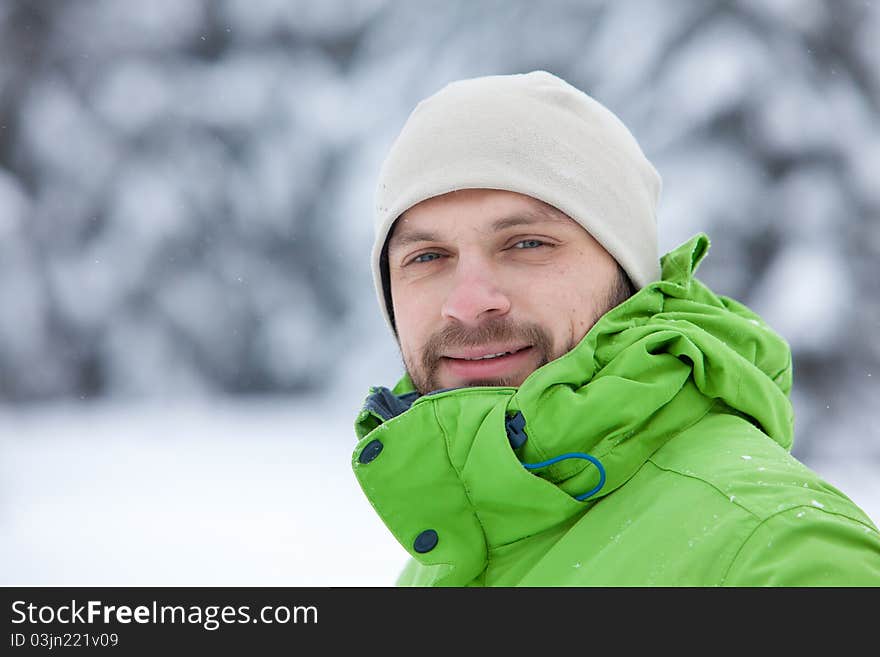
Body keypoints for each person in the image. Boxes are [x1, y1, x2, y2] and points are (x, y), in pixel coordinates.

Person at [351, 70, 880, 586]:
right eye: (427, 256)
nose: (468, 304)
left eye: (527, 243)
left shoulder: (783, 554)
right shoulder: (457, 544)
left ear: (629, 277)